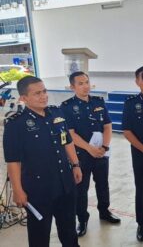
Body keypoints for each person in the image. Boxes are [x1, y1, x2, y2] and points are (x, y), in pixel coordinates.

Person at [3, 76, 82, 247]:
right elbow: (13, 161)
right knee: (39, 237)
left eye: (44, 91)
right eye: (37, 93)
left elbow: (66, 141)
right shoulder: (15, 124)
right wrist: (17, 190)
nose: (44, 96)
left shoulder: (56, 113)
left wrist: (75, 165)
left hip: (65, 184)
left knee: (69, 232)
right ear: (24, 98)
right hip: (38, 190)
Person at [61, 71, 120, 237]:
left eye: (86, 82)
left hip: (101, 152)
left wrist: (105, 147)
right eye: (80, 83)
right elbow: (70, 133)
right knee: (81, 188)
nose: (85, 86)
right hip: (81, 154)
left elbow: (108, 126)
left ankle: (104, 212)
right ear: (72, 87)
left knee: (103, 184)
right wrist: (90, 148)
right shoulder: (66, 107)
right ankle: (82, 219)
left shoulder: (98, 102)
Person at [122, 66, 143, 242]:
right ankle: (142, 224)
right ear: (137, 82)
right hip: (141, 154)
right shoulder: (131, 103)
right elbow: (126, 131)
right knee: (141, 190)